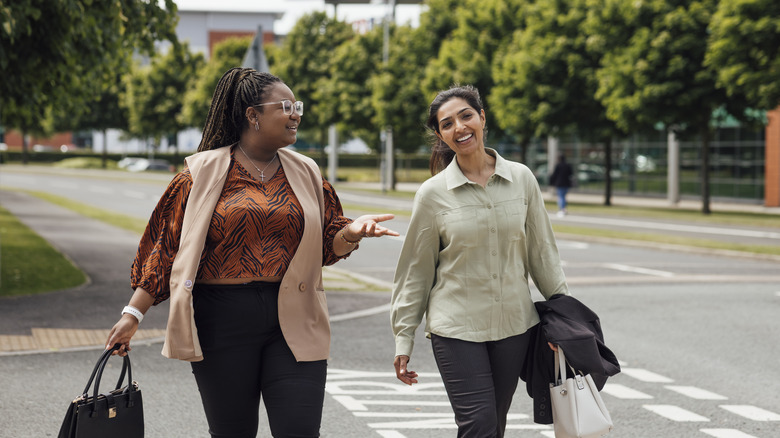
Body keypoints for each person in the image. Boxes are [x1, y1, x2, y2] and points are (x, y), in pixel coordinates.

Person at [105, 67, 399, 438]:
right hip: (221, 320)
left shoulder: (307, 172)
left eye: (298, 106)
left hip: (295, 315)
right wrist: (133, 314)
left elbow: (327, 244)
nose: (296, 114)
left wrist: (352, 232)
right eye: (286, 106)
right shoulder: (201, 172)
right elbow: (165, 248)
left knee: (299, 430)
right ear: (252, 115)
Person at [390, 85, 569, 438]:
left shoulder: (521, 178)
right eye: (447, 123)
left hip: (514, 327)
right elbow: (416, 271)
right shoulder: (432, 194)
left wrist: (564, 318)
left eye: (466, 116)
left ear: (482, 118)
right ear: (440, 134)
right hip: (455, 327)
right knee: (479, 424)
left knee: (495, 425)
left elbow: (542, 253)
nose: (459, 127)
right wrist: (403, 337)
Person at [548, 152, 573, 217]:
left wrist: (551, 182)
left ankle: (562, 209)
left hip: (559, 183)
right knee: (564, 197)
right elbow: (570, 174)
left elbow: (554, 175)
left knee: (561, 197)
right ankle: (564, 208)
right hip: (566, 183)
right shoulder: (568, 165)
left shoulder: (558, 165)